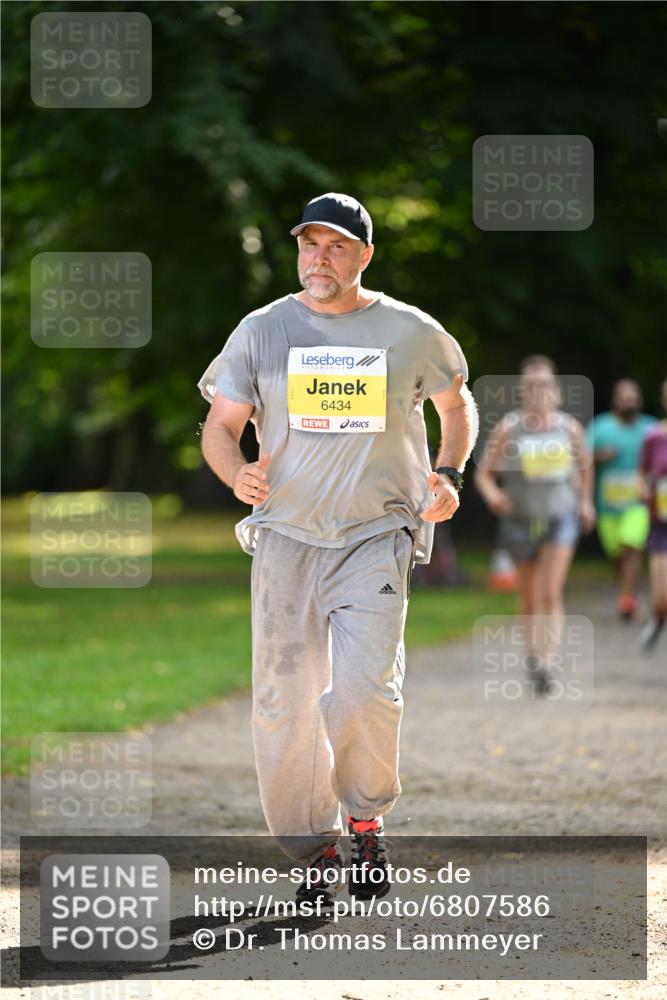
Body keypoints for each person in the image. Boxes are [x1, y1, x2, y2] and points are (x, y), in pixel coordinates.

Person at [196, 193, 477, 904]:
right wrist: (238, 472)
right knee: (284, 702)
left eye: (337, 246)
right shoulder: (262, 330)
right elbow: (220, 426)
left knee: (362, 690)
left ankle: (364, 814)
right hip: (286, 536)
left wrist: (446, 473)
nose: (320, 258)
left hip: (375, 533)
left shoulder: (408, 331)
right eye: (309, 244)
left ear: (364, 255)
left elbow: (457, 403)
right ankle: (314, 845)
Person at [474, 355, 595, 694]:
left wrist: (585, 502)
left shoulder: (569, 428)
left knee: (550, 591)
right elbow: (484, 473)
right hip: (520, 520)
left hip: (560, 517)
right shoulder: (510, 428)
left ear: (555, 390)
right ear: (522, 391)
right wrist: (494, 495)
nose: (538, 392)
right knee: (528, 596)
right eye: (531, 386)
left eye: (544, 385)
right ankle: (532, 655)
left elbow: (585, 469)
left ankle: (547, 661)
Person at [585, 380, 657, 620]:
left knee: (631, 544)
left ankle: (627, 598)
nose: (630, 402)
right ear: (615, 400)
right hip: (608, 505)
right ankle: (627, 592)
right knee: (617, 553)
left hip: (639, 502)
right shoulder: (601, 427)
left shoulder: (651, 428)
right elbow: (582, 461)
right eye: (625, 398)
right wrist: (600, 456)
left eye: (634, 398)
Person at [638, 378, 667, 653]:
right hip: (661, 522)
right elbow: (642, 475)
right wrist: (643, 492)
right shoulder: (654, 435)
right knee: (661, 595)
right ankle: (658, 617)